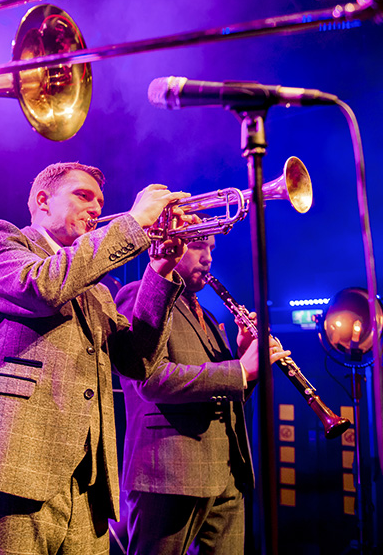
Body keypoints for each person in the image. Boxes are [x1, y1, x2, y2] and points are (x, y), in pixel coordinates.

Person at [0, 161, 193, 554]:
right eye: (83, 196)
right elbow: (42, 288)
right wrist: (135, 222)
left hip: (88, 480)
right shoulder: (0, 239)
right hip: (12, 461)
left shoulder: (97, 289)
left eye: (100, 201)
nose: (97, 209)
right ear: (43, 201)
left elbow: (138, 363)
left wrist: (160, 271)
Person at [116, 234, 288, 555]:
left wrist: (244, 358)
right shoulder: (138, 294)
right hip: (169, 472)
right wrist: (239, 370)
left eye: (211, 248)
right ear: (169, 246)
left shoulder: (208, 315)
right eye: (198, 246)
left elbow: (226, 393)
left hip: (228, 472)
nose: (208, 258)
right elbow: (150, 380)